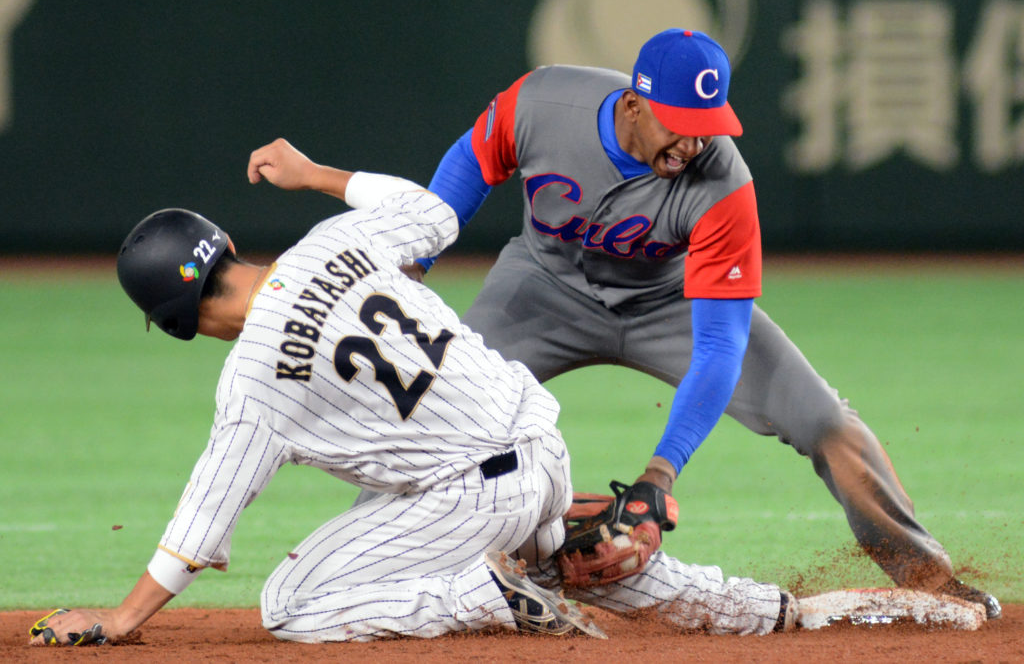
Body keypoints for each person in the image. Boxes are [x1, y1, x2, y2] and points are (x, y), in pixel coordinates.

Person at [30, 138, 798, 646]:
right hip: (542, 449)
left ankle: (484, 594)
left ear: (176, 323)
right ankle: (765, 612)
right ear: (228, 244)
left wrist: (122, 618)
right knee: (545, 555)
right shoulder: (335, 237)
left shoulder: (254, 381)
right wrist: (317, 176)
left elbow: (199, 525)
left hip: (471, 498)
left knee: (289, 603)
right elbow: (434, 212)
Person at [396, 28, 1000, 618]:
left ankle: (929, 577)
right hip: (539, 290)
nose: (693, 144)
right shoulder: (542, 104)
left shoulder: (723, 184)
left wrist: (661, 472)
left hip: (670, 301)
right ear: (633, 103)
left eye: (706, 126)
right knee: (431, 408)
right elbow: (468, 167)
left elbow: (718, 347)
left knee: (825, 421)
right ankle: (380, 571)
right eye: (679, 125)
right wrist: (414, 263)